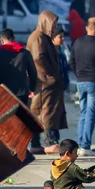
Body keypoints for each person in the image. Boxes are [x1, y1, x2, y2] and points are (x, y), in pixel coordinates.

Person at [28, 11, 66, 155]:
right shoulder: (38, 38)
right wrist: (50, 76)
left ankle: (37, 144)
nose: (54, 26)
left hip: (46, 83)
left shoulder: (43, 37)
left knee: (41, 113)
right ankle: (49, 143)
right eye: (53, 23)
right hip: (44, 83)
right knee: (45, 114)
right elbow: (38, 58)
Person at [71, 17, 95, 155]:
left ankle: (80, 144)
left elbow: (72, 62)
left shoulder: (77, 42)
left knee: (83, 113)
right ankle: (85, 146)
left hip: (81, 81)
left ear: (87, 28)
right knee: (91, 114)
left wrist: (78, 75)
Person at [0, 28, 36, 107]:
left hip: (4, 93)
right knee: (21, 118)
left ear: (2, 40)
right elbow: (33, 72)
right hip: (22, 93)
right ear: (14, 38)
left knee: (6, 118)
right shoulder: (25, 53)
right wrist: (32, 88)